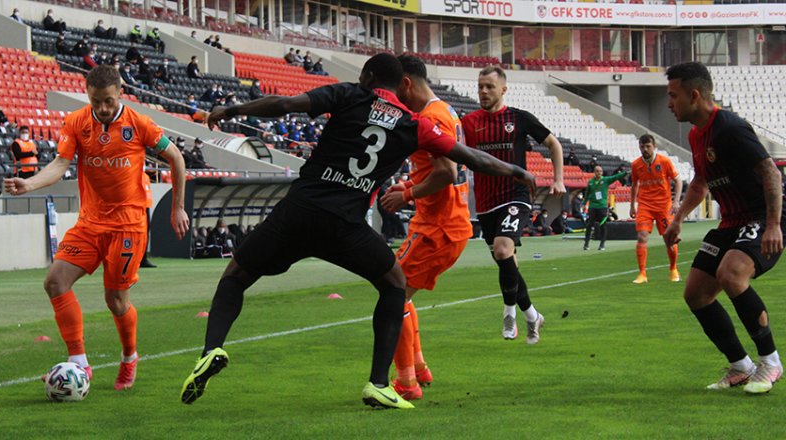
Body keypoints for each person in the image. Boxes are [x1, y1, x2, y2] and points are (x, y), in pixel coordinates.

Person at [178, 53, 536, 409]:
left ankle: (211, 349)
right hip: (345, 226)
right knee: (394, 285)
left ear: (367, 76)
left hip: (299, 212)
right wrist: (519, 173)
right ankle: (380, 383)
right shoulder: (414, 124)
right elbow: (469, 157)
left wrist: (233, 111)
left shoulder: (349, 94)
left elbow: (285, 103)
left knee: (237, 275)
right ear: (400, 85)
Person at [3, 66, 189, 391]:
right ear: (86, 92)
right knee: (55, 282)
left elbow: (176, 159)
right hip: (90, 222)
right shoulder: (76, 122)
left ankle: (130, 356)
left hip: (128, 225)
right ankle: (80, 365)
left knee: (116, 300)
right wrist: (29, 183)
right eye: (95, 101)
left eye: (107, 101)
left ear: (120, 93)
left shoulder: (139, 124)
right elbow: (61, 164)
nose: (102, 108)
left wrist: (177, 207)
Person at [662, 61, 785, 394]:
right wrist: (677, 219)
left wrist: (773, 225)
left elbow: (771, 172)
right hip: (731, 221)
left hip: (761, 216)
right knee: (696, 294)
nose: (669, 104)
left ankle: (771, 363)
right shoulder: (695, 134)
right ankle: (741, 367)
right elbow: (701, 181)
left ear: (695, 94)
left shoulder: (729, 127)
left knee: (732, 273)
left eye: (673, 96)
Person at [378, 55, 473, 401]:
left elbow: (446, 171)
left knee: (393, 295)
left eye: (394, 90)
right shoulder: (446, 111)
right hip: (441, 223)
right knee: (398, 288)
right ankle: (417, 368)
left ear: (406, 83)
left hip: (439, 227)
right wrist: (409, 187)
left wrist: (409, 194)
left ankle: (406, 382)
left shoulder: (432, 117)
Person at [460, 65, 565, 344]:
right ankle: (532, 315)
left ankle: (508, 313)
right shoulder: (469, 123)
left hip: (515, 195)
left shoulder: (519, 118)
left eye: (489, 86)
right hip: (484, 202)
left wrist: (558, 179)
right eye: (480, 86)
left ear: (503, 89)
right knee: (507, 262)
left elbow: (554, 144)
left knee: (503, 249)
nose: (483, 91)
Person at [629, 134, 682, 283]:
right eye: (642, 146)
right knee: (642, 236)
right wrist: (632, 205)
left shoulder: (664, 162)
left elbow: (678, 181)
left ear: (654, 147)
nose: (645, 149)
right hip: (645, 205)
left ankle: (673, 268)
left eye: (648, 146)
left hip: (663, 206)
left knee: (668, 239)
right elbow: (634, 185)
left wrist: (676, 201)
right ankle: (642, 274)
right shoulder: (635, 165)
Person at [583, 165, 628, 251]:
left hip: (602, 207)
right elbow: (587, 193)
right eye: (597, 171)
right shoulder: (590, 182)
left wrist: (625, 173)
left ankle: (602, 244)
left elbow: (615, 177)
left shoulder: (605, 180)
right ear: (594, 172)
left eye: (600, 171)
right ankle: (586, 243)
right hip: (592, 206)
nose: (599, 173)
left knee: (603, 225)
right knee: (589, 225)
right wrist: (584, 203)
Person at [139, 171, 156, 268]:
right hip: (138, 206)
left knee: (145, 233)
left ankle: (143, 259)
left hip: (146, 206)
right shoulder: (135, 175)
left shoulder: (145, 176)